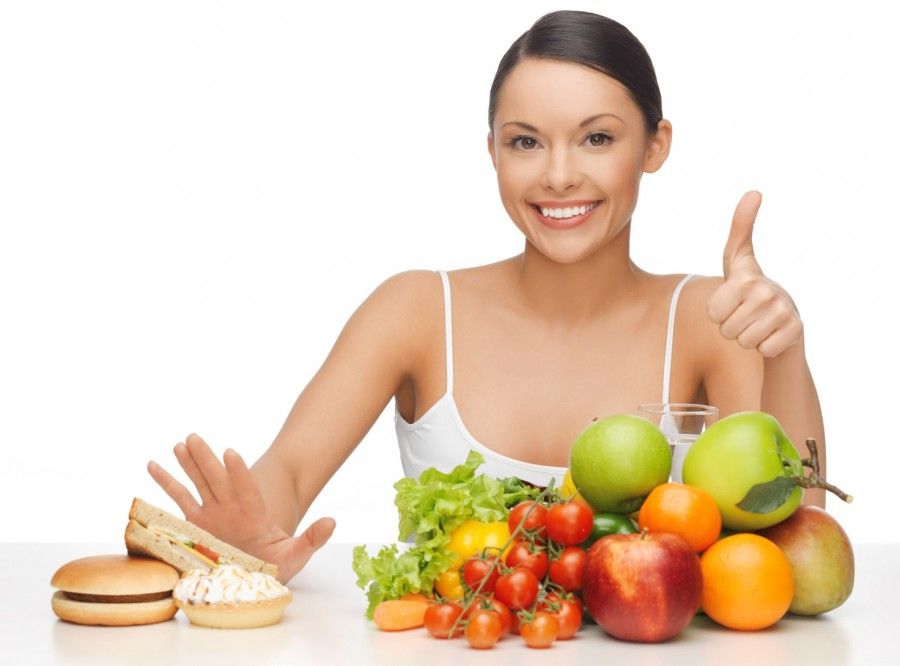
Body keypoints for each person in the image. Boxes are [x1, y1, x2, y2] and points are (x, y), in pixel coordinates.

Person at [147, 10, 826, 584]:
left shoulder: (713, 319)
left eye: (597, 138)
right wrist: (233, 541)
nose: (559, 176)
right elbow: (288, 477)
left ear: (655, 145)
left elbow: (797, 542)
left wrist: (786, 350)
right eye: (525, 142)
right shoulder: (415, 310)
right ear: (494, 152)